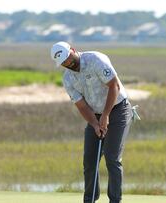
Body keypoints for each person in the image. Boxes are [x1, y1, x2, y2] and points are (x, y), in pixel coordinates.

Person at [50, 41, 132, 203]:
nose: (68, 63)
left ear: (72, 50)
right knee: (90, 160)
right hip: (95, 115)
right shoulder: (67, 79)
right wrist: (95, 123)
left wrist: (106, 115)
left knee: (112, 157)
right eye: (63, 63)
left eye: (68, 58)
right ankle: (89, 200)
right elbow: (81, 105)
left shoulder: (96, 59)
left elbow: (113, 86)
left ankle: (115, 200)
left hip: (117, 109)